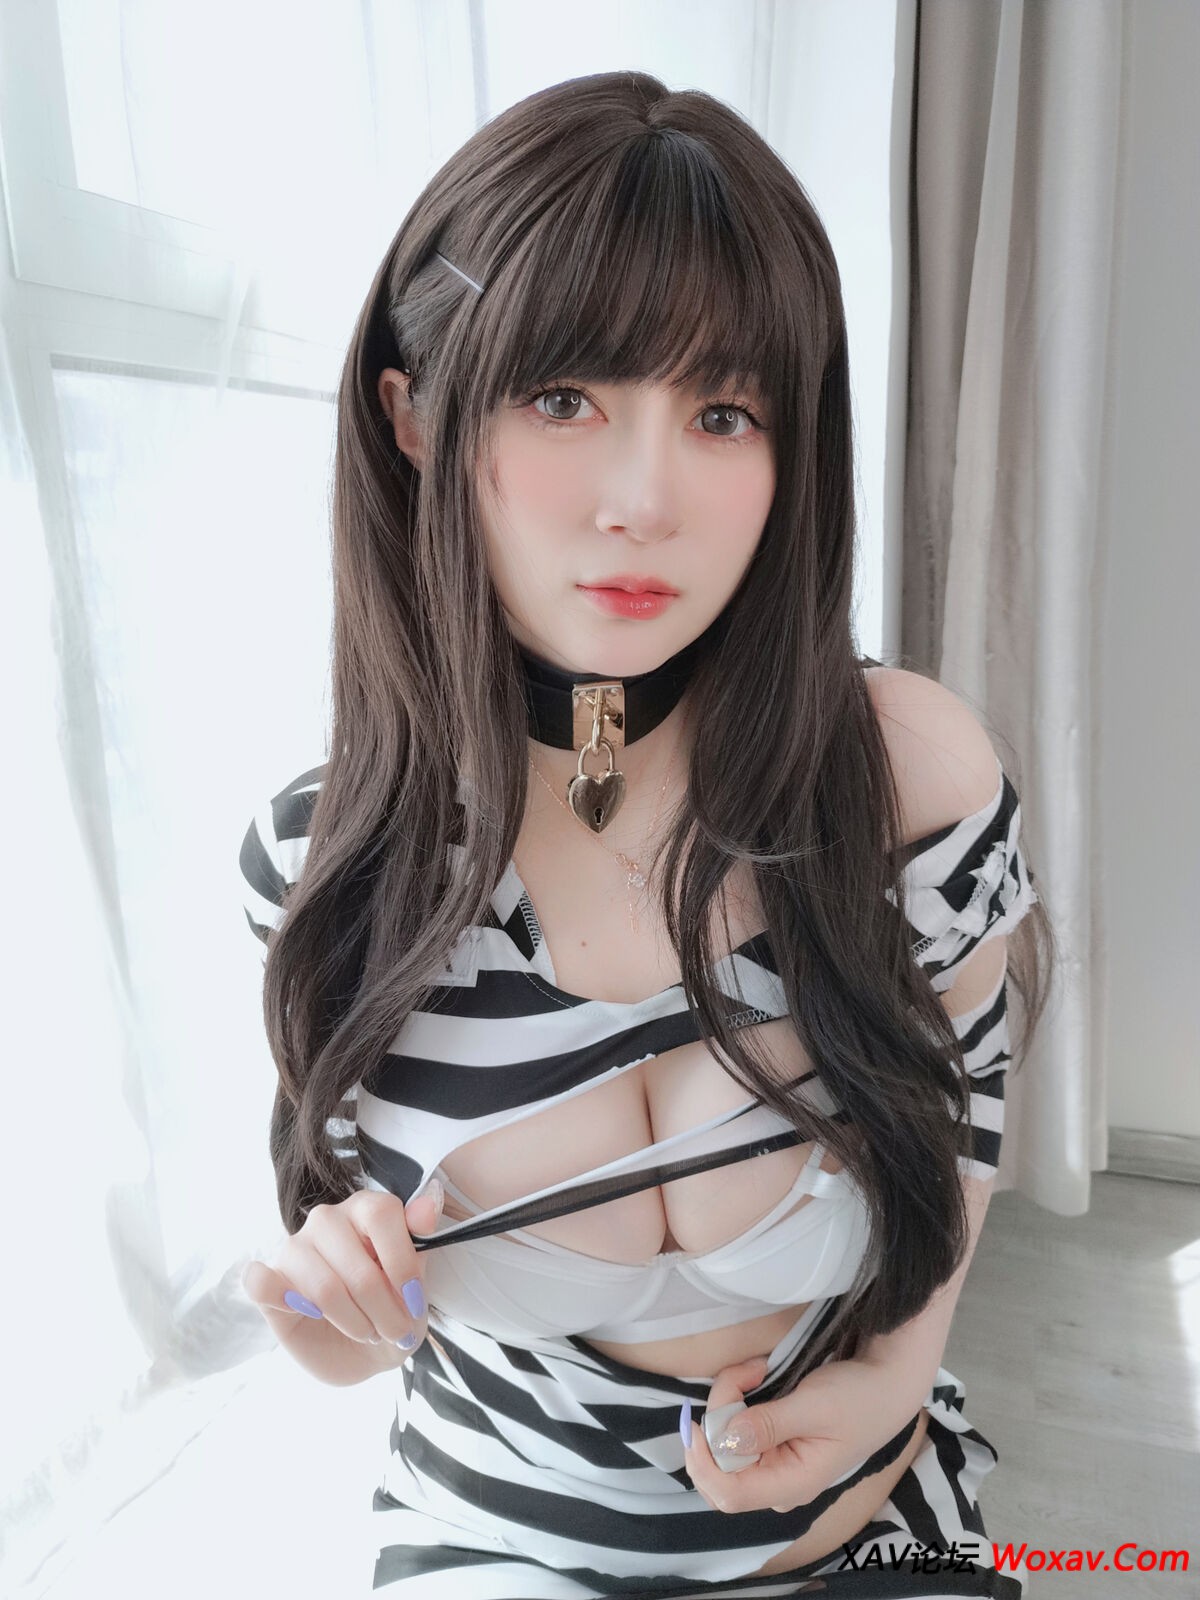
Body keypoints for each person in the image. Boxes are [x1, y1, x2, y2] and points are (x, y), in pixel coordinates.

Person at [238, 70, 1055, 1598]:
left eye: (723, 412)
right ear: (414, 416)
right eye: (565, 398)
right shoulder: (331, 866)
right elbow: (345, 1329)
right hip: (499, 1539)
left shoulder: (909, 779)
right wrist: (311, 1300)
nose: (643, 499)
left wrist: (893, 1384)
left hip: (871, 1525)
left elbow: (967, 1117)